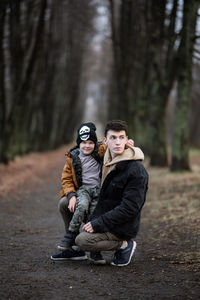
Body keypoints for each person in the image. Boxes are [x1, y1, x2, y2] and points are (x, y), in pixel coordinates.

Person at [75, 119, 148, 266]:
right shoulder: (107, 159)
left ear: (127, 140)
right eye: (113, 138)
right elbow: (83, 148)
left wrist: (98, 224)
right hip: (105, 213)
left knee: (82, 240)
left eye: (121, 138)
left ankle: (124, 245)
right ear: (105, 141)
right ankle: (73, 250)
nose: (118, 142)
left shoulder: (136, 170)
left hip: (122, 225)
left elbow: (130, 208)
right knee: (67, 204)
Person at [51, 122, 106, 261]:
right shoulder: (73, 157)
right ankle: (73, 243)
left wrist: (126, 144)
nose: (86, 146)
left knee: (94, 215)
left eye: (90, 142)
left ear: (95, 143)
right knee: (71, 204)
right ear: (78, 143)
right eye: (83, 142)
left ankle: (94, 249)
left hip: (99, 192)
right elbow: (66, 179)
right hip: (82, 191)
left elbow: (112, 148)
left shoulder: (100, 152)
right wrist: (71, 195)